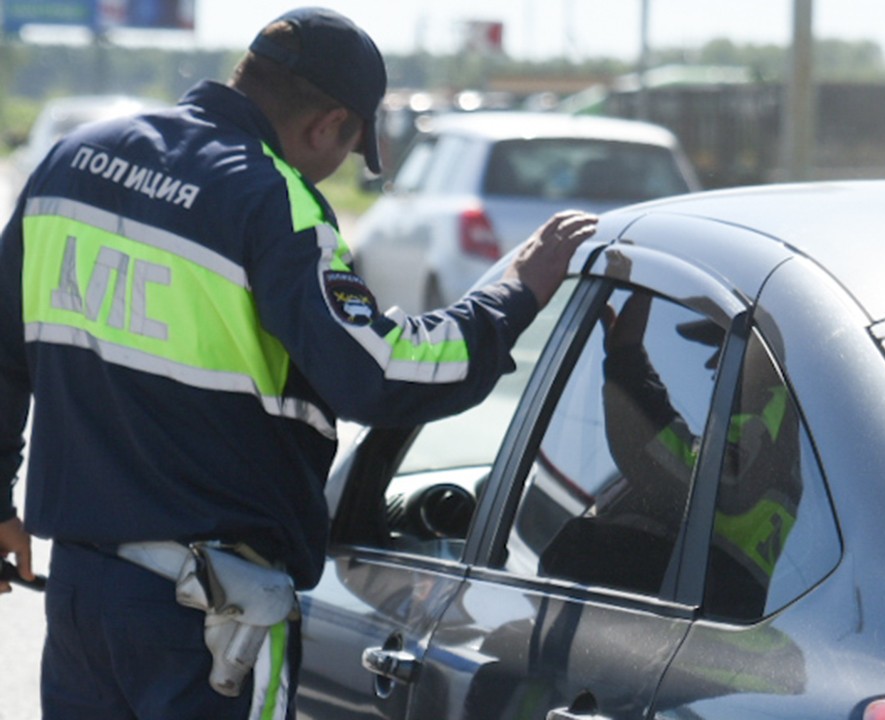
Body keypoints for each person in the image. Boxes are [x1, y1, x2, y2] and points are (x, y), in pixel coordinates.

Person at [0, 7, 598, 719]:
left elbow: (6, 353)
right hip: (206, 619)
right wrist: (509, 297)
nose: (332, 168)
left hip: (83, 596)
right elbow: (380, 371)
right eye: (347, 151)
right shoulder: (270, 200)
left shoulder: (74, 162)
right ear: (328, 125)